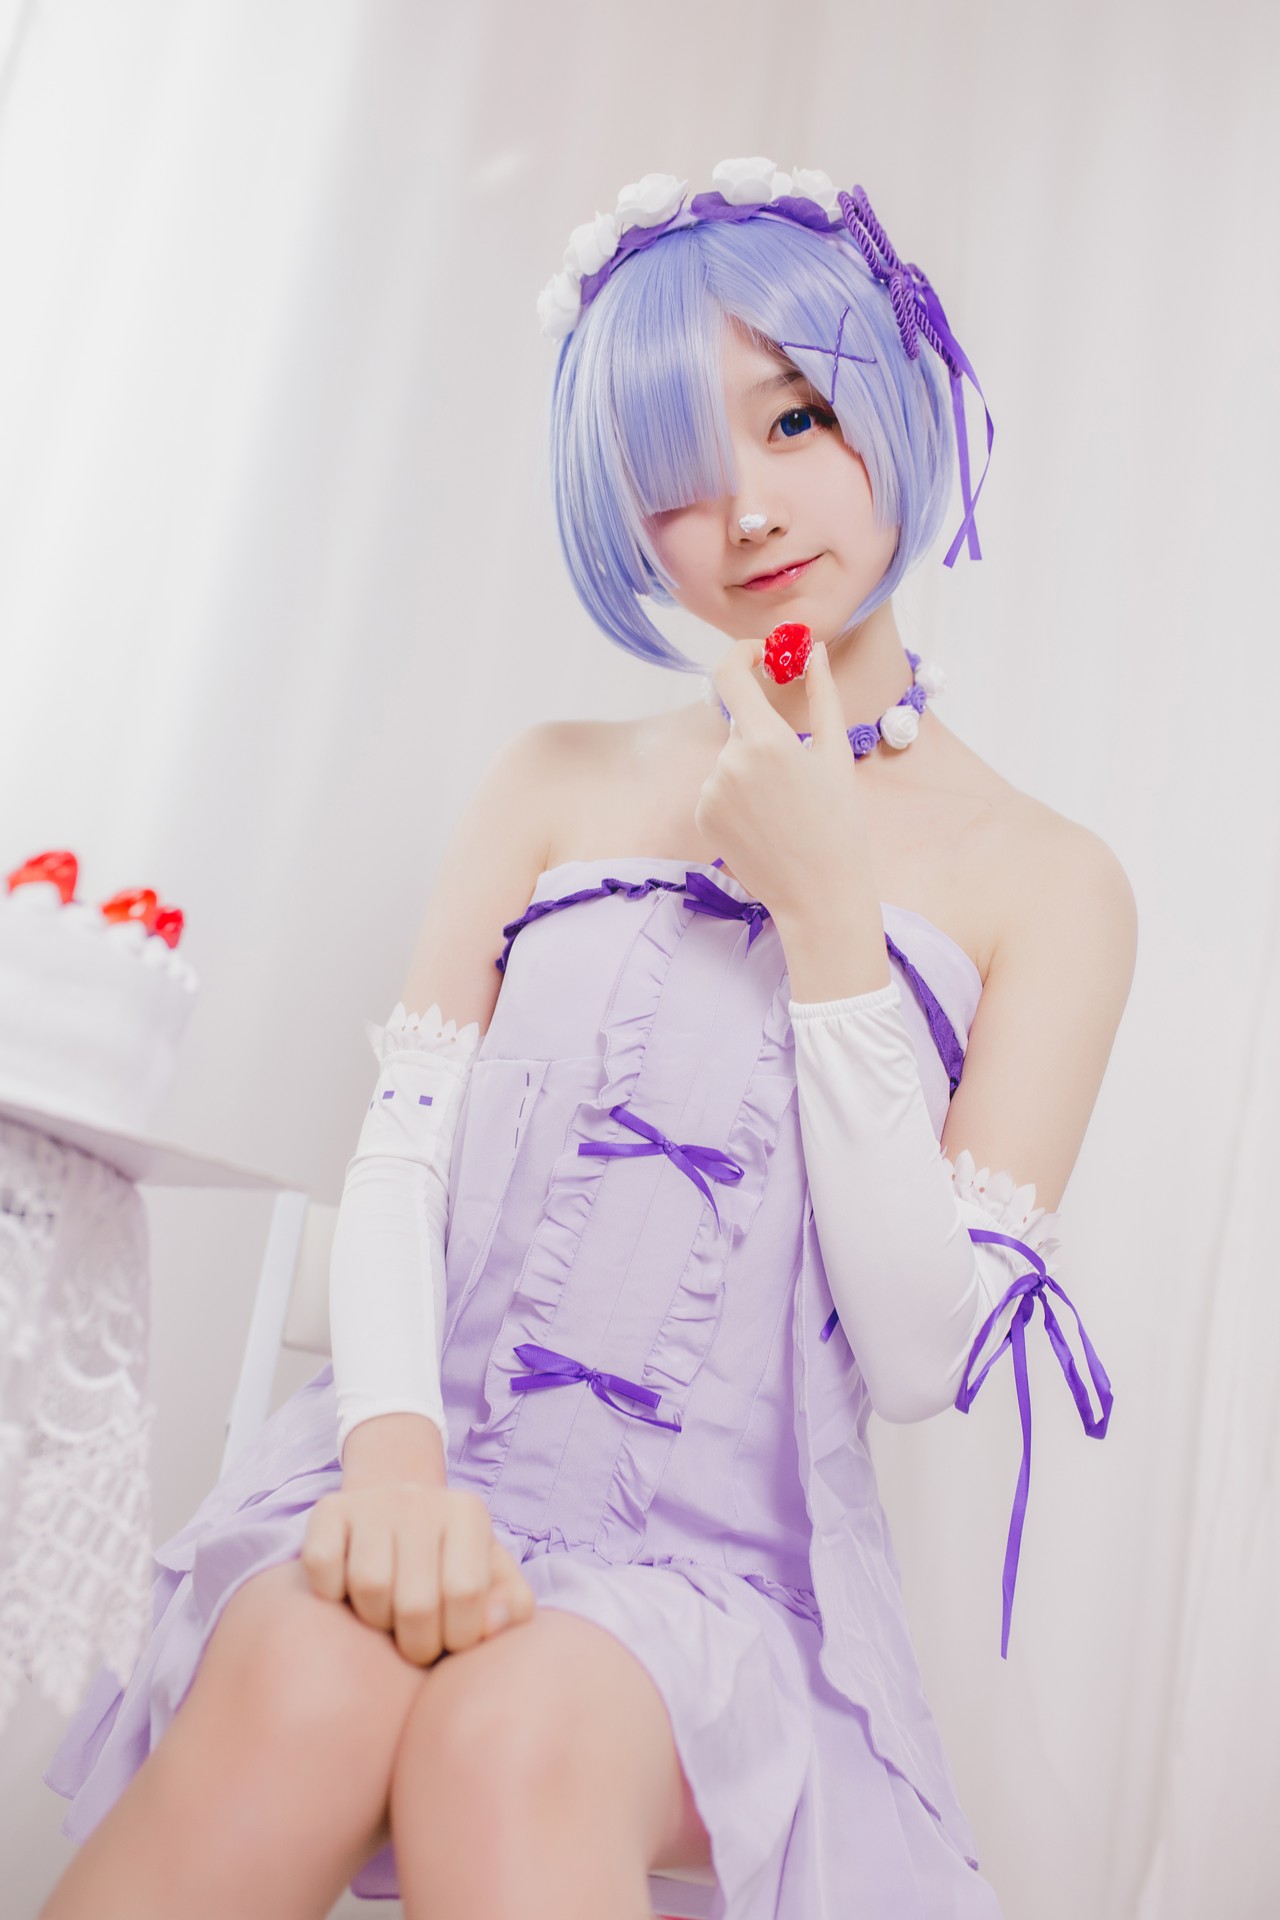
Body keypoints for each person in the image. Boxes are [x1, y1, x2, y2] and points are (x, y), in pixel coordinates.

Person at [40, 157, 1136, 1920]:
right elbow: (402, 1162)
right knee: (303, 1682)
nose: (753, 512)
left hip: (719, 1596)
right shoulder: (553, 782)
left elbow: (922, 1355)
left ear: (895, 396)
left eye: (795, 418)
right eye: (679, 475)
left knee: (515, 1732)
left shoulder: (1050, 882)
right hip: (418, 1469)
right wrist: (396, 1465)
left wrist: (830, 915)